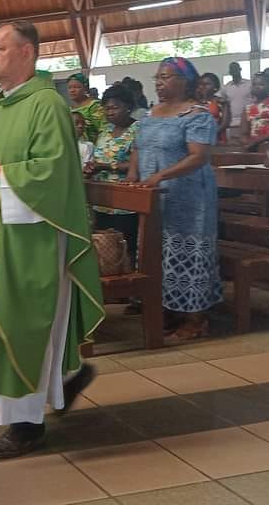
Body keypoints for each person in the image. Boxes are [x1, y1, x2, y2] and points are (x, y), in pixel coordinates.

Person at [0, 21, 101, 459]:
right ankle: (65, 380)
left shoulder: (46, 104)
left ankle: (27, 425)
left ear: (27, 53)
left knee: (27, 324)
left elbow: (52, 171)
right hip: (0, 234)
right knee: (9, 321)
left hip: (33, 238)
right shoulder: (1, 107)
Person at [130, 57, 221, 341]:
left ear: (186, 81)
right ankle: (168, 309)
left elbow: (198, 156)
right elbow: (138, 147)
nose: (159, 82)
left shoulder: (197, 115)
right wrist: (133, 175)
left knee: (187, 254)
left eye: (166, 77)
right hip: (154, 196)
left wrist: (161, 175)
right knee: (159, 252)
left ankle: (196, 319)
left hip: (189, 197)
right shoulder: (150, 113)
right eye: (157, 77)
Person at [86, 85, 140, 268]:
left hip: (125, 200)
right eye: (107, 108)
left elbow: (138, 164)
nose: (110, 112)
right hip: (102, 198)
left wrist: (107, 166)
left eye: (115, 107)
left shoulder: (137, 129)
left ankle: (127, 280)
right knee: (103, 248)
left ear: (128, 107)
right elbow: (99, 156)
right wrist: (92, 167)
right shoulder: (105, 129)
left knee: (124, 248)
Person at [67, 72, 107, 143]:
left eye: (77, 87)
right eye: (69, 87)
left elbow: (104, 129)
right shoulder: (69, 109)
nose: (72, 90)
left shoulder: (94, 106)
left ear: (85, 88)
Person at [220, 61, 252, 137]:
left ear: (240, 69)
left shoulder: (250, 84)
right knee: (234, 143)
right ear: (230, 72)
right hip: (233, 124)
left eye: (236, 68)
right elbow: (223, 103)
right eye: (232, 69)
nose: (234, 71)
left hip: (249, 122)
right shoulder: (226, 87)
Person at [196, 73, 229, 144]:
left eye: (206, 84)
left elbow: (225, 123)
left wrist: (210, 133)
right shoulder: (195, 102)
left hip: (218, 139)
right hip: (198, 140)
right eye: (200, 84)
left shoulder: (221, 102)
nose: (202, 87)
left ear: (215, 87)